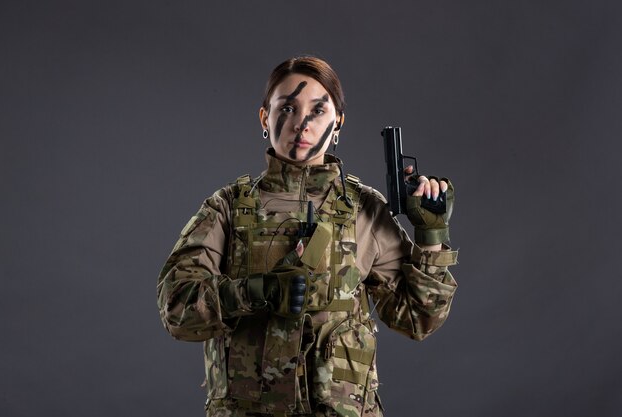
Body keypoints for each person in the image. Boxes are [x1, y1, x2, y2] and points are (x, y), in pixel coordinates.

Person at [157, 56, 458, 417]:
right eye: (287, 107)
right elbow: (176, 309)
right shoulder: (228, 208)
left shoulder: (365, 210)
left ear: (338, 124)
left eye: (317, 110)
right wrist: (256, 292)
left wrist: (430, 234)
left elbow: (417, 319)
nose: (301, 123)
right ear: (265, 118)